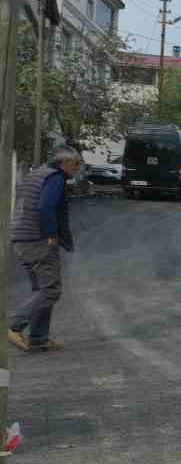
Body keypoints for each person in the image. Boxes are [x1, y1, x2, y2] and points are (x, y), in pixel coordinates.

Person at [8, 146, 82, 353]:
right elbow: (45, 207)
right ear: (64, 163)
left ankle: (39, 339)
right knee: (51, 289)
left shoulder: (37, 174)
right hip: (37, 239)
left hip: (21, 238)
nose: (77, 169)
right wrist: (51, 235)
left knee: (41, 290)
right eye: (76, 164)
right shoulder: (55, 177)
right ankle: (13, 326)